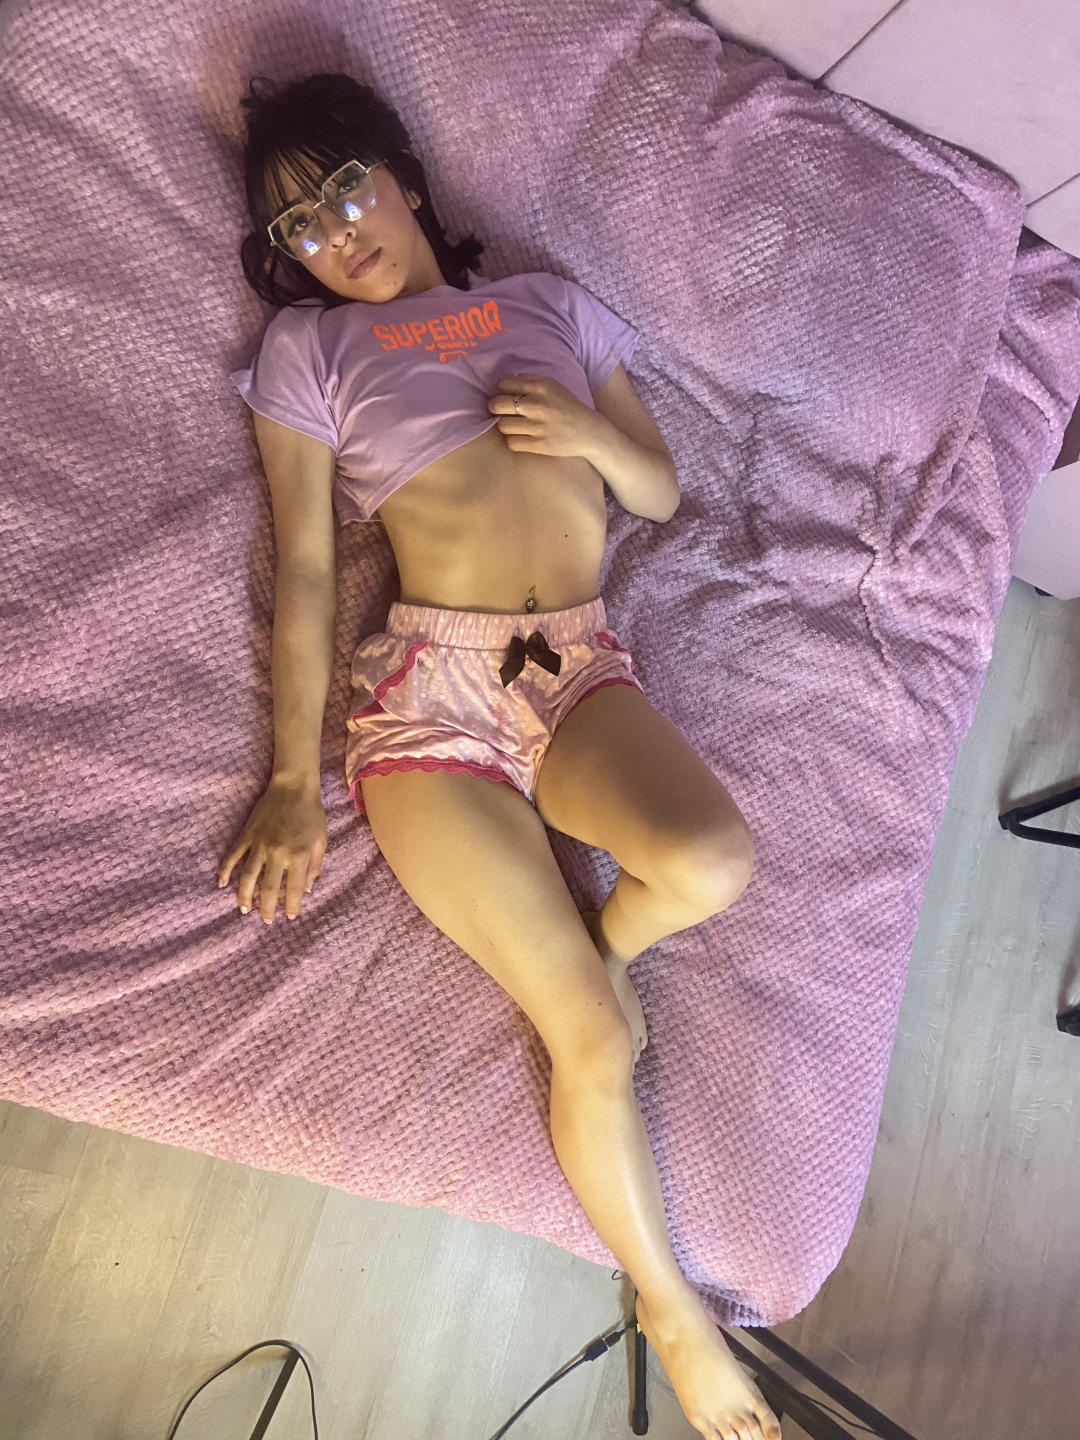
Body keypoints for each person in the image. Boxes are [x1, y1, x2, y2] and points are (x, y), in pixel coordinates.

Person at [217, 72, 776, 1440]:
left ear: (407, 179)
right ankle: (673, 1311)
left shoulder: (547, 303)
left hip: (571, 666)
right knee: (590, 1036)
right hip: (432, 700)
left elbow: (657, 489)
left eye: (347, 187)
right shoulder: (310, 353)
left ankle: (602, 949)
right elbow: (304, 569)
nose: (336, 232)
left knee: (713, 861)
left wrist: (588, 433)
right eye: (298, 225)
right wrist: (291, 781)